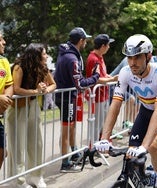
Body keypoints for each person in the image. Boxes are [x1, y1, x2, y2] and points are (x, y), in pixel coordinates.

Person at [94, 34, 157, 188]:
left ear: (148, 56)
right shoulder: (126, 73)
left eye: (137, 57)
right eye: (129, 58)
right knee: (131, 152)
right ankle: (143, 178)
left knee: (152, 146)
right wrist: (105, 137)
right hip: (146, 111)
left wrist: (144, 146)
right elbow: (116, 104)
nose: (133, 63)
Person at [6, 43, 56, 188]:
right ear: (36, 56)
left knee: (36, 143)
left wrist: (45, 89)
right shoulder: (19, 67)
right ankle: (18, 180)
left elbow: (54, 84)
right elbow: (16, 88)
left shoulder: (42, 68)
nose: (46, 56)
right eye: (44, 54)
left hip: (33, 106)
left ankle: (36, 176)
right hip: (18, 109)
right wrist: (36, 91)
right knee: (18, 145)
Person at [54, 27, 100, 172]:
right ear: (81, 41)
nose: (86, 42)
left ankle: (73, 154)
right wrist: (95, 77)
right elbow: (79, 84)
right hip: (67, 98)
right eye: (85, 40)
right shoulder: (72, 58)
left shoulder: (66, 53)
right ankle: (65, 163)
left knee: (71, 127)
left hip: (66, 96)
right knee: (66, 130)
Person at [86, 34, 118, 145]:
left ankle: (100, 143)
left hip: (102, 95)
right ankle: (93, 146)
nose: (109, 47)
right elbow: (95, 79)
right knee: (96, 123)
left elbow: (102, 73)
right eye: (108, 45)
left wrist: (110, 77)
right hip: (97, 96)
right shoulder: (94, 59)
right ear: (103, 46)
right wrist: (112, 79)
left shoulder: (99, 57)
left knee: (101, 122)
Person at [0, 31, 13, 170]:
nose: (4, 42)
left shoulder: (4, 61)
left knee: (2, 150)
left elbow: (9, 84)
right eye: (0, 39)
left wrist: (7, 99)